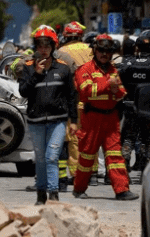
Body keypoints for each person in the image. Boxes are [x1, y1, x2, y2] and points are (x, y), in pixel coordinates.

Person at [73, 34, 139, 201]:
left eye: (107, 51)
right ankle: (79, 188)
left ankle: (122, 190)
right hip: (91, 118)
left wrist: (117, 91)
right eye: (101, 50)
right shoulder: (85, 69)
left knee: (115, 155)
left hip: (111, 119)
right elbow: (86, 92)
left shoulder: (113, 70)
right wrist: (108, 85)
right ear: (95, 50)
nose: (104, 54)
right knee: (87, 155)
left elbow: (121, 93)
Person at [18, 25, 78, 204]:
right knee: (41, 159)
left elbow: (71, 96)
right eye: (40, 46)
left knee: (52, 156)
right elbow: (23, 91)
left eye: (47, 46)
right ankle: (41, 193)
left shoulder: (63, 69)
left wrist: (73, 120)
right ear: (36, 47)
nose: (43, 50)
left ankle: (53, 193)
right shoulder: (28, 67)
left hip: (57, 120)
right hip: (35, 121)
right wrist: (36, 74)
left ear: (53, 47)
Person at [117, 34, 150, 183]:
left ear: (137, 47)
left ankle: (124, 172)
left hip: (130, 106)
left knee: (128, 139)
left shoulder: (128, 62)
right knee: (149, 140)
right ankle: (146, 173)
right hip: (149, 109)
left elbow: (120, 81)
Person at [55, 21, 95, 188]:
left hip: (73, 98)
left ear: (65, 36)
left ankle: (77, 173)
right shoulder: (90, 50)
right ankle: (92, 173)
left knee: (73, 138)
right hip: (93, 97)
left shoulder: (61, 52)